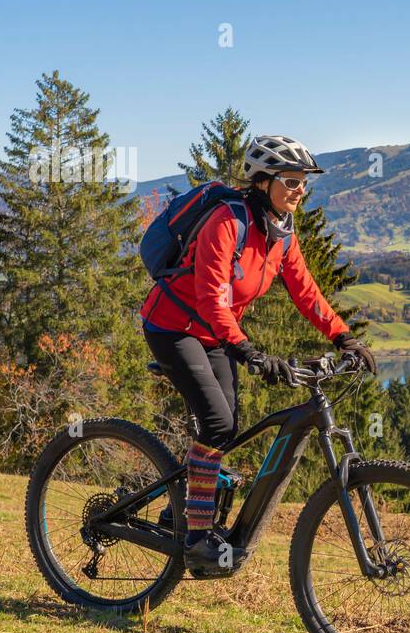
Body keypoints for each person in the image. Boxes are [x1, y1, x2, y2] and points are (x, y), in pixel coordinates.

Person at [139, 134, 375, 573]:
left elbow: (305, 292)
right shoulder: (228, 222)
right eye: (291, 181)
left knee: (226, 428)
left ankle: (180, 512)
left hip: (216, 334)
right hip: (173, 327)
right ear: (263, 182)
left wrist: (343, 336)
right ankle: (195, 540)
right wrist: (247, 351)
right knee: (217, 422)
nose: (300, 190)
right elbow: (211, 298)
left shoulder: (282, 233)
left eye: (304, 183)